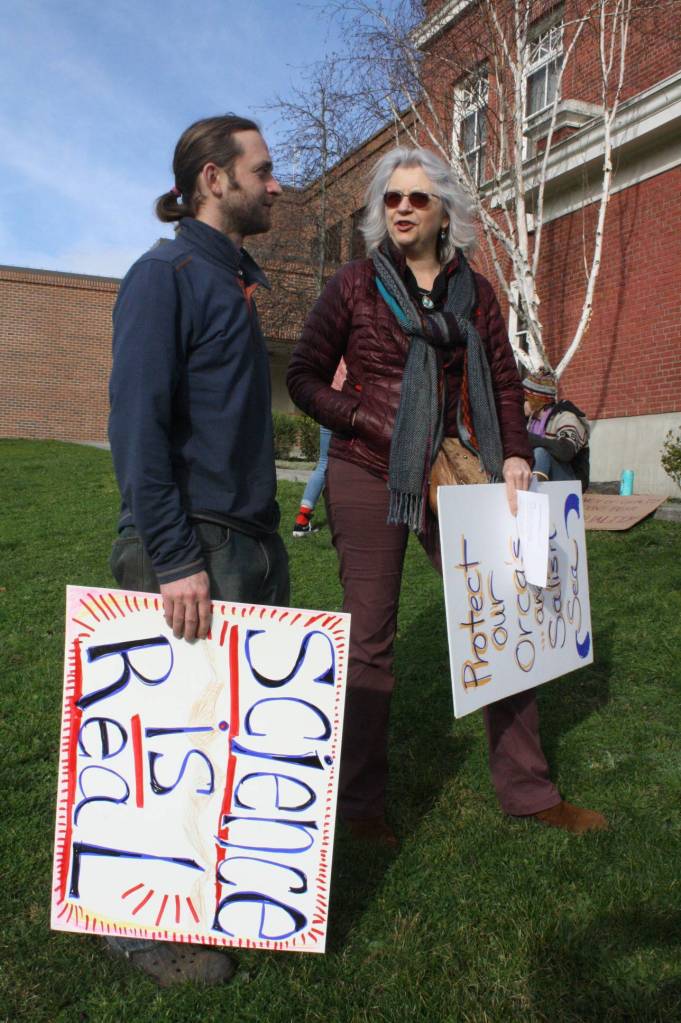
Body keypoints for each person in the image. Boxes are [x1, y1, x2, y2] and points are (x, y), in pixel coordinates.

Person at [287, 146, 607, 847]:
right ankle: (361, 807)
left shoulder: (477, 294)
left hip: (460, 471)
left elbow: (501, 382)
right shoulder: (354, 285)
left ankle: (529, 791)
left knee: (504, 621)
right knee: (369, 639)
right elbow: (304, 375)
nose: (402, 207)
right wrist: (367, 416)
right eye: (392, 198)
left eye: (417, 198)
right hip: (368, 470)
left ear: (443, 214)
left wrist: (517, 456)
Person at [108, 114, 289, 986]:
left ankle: (214, 899)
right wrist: (175, 556)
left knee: (227, 740)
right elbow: (135, 430)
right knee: (172, 743)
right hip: (191, 550)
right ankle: (138, 926)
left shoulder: (232, 280)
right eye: (263, 169)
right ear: (214, 180)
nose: (276, 183)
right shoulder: (163, 277)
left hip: (246, 543)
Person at [292, 360, 347, 536]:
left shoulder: (333, 352)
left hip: (327, 406)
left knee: (324, 463)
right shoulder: (358, 348)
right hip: (347, 408)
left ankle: (302, 520)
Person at [523, 371, 590, 489]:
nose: (519, 403)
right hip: (551, 477)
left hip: (572, 481)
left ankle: (533, 496)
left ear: (536, 400)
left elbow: (566, 451)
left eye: (524, 399)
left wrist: (531, 439)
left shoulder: (566, 417)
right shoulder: (532, 421)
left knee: (540, 452)